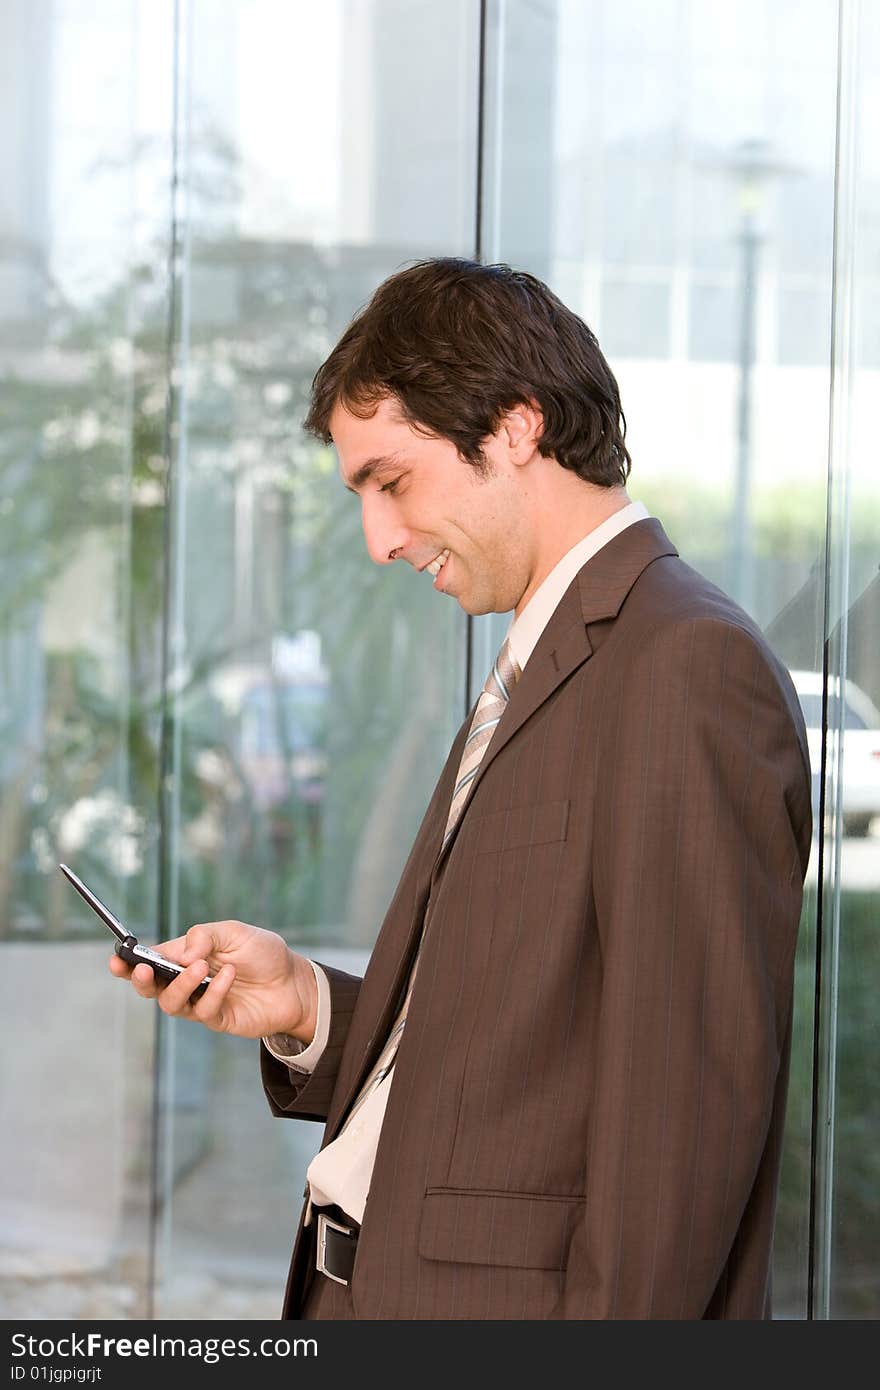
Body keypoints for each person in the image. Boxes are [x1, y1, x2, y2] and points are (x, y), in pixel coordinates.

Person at [110, 258, 813, 1319]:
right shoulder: (549, 654)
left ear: (516, 427)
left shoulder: (683, 665)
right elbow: (519, 1055)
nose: (380, 541)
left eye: (391, 482)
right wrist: (303, 1003)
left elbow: (680, 1123)